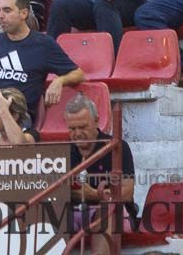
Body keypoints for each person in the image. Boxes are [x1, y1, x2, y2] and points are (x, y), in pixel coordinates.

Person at [0, 0, 83, 133]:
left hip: (17, 116)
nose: (0, 16)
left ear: (24, 13)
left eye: (7, 10)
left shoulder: (43, 44)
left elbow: (78, 73)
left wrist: (60, 81)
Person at [66, 94, 137, 255]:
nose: (77, 133)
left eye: (83, 127)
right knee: (45, 211)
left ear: (97, 121)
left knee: (107, 210)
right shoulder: (64, 150)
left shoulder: (117, 148)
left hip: (113, 212)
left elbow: (126, 193)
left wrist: (92, 194)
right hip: (72, 212)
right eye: (72, 128)